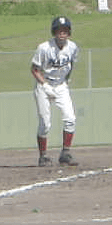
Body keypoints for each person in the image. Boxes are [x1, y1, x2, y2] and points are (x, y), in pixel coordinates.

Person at [31, 16, 79, 167]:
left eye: (65, 30)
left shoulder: (73, 48)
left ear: (69, 32)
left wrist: (65, 81)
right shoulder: (44, 48)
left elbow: (71, 65)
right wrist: (45, 86)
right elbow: (34, 69)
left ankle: (65, 153)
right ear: (54, 32)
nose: (62, 33)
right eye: (59, 30)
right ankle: (43, 156)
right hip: (44, 85)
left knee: (70, 118)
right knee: (45, 123)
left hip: (61, 85)